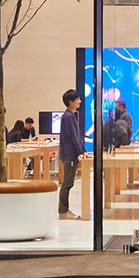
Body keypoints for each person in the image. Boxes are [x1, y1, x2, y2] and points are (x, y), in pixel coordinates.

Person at [58, 88, 85, 219]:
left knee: (68, 183)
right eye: (77, 99)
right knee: (67, 183)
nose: (80, 101)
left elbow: (77, 136)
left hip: (71, 154)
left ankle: (63, 210)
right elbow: (73, 136)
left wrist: (82, 150)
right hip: (70, 155)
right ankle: (63, 211)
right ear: (70, 102)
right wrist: (80, 151)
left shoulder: (70, 116)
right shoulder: (68, 117)